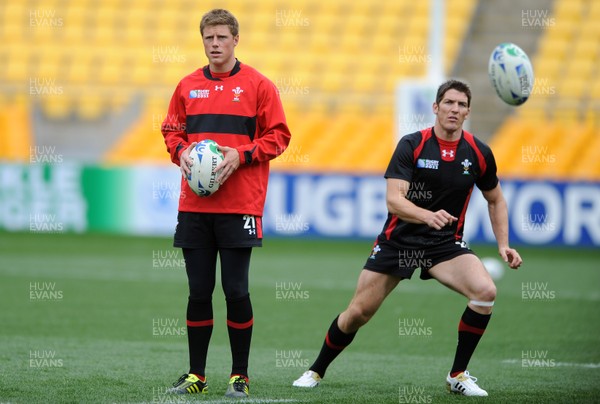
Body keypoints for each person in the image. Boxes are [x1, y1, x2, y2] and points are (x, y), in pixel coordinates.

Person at [292, 79, 522, 397]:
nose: (454, 109)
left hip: (443, 244)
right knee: (358, 312)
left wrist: (503, 245)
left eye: (461, 104)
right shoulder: (412, 144)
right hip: (399, 240)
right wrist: (428, 215)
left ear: (468, 111)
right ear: (436, 107)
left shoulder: (479, 153)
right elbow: (394, 201)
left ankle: (458, 375)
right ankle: (316, 370)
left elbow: (495, 199)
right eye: (449, 103)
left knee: (485, 291)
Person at [161, 9, 291, 398]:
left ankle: (240, 376)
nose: (215, 44)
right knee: (198, 291)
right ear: (202, 41)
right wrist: (181, 152)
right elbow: (171, 132)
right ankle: (196, 376)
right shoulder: (186, 86)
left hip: (240, 206)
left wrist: (243, 154)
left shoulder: (259, 86)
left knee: (236, 290)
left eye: (221, 37)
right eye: (208, 38)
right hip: (195, 209)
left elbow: (280, 137)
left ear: (236, 40)